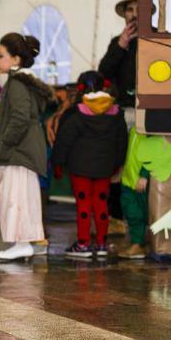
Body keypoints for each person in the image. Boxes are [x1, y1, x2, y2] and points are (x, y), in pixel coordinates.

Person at [52, 71, 128, 259]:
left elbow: (64, 140)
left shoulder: (75, 113)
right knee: (101, 203)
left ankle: (83, 244)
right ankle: (101, 244)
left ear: (80, 88)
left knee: (84, 205)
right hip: (105, 169)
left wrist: (58, 162)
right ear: (104, 86)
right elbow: (122, 142)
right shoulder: (116, 113)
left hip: (80, 169)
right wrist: (117, 163)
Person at [0, 33, 52, 261]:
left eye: (1, 55)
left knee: (14, 196)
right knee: (25, 196)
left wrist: (4, 146)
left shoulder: (17, 83)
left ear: (15, 59)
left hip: (18, 151)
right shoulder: (24, 82)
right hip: (25, 150)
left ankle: (21, 241)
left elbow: (19, 118)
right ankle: (27, 241)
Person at [98, 0, 141, 236]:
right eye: (129, 9)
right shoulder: (118, 42)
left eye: (138, 8)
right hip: (123, 110)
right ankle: (115, 218)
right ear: (124, 14)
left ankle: (146, 219)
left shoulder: (157, 38)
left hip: (150, 111)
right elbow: (103, 71)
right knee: (118, 164)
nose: (134, 14)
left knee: (146, 167)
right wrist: (121, 46)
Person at [119, 127, 150, 259]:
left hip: (139, 182)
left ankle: (138, 244)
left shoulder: (150, 131)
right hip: (128, 179)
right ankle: (137, 243)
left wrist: (144, 175)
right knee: (130, 210)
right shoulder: (134, 129)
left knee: (137, 213)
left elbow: (154, 153)